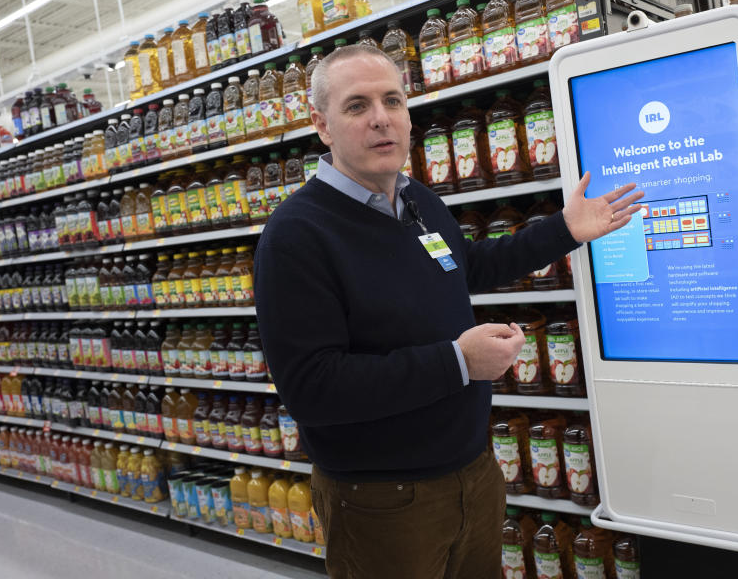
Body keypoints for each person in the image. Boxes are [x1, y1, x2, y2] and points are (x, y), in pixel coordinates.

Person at [254, 44, 643, 578]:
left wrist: (564, 231)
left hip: (473, 472)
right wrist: (457, 363)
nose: (380, 118)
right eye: (356, 105)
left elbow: (468, 266)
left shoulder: (416, 201)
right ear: (322, 125)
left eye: (392, 100)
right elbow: (312, 388)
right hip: (382, 498)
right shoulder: (296, 235)